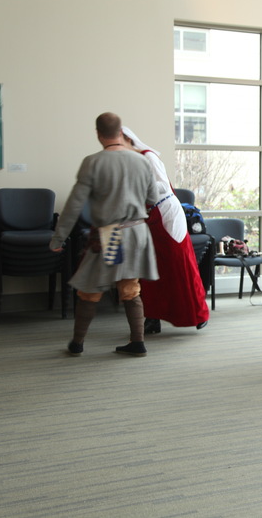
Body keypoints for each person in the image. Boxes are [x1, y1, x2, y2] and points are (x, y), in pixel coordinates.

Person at [50, 112, 159, 357]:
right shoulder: (141, 160)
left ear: (98, 134)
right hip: (138, 232)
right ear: (121, 132)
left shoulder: (93, 162)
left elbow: (74, 205)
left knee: (90, 288)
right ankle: (138, 342)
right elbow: (153, 198)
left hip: (112, 235)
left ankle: (77, 343)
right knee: (130, 287)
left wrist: (59, 238)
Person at [121, 126, 209, 334]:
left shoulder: (148, 157)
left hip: (166, 214)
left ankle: (196, 312)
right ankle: (152, 317)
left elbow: (161, 187)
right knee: (150, 269)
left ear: (127, 139)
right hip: (148, 216)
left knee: (179, 265)